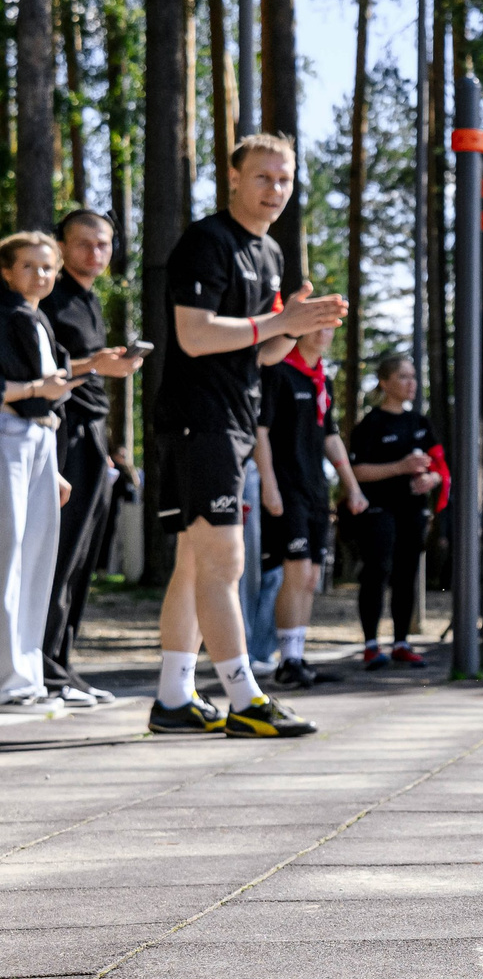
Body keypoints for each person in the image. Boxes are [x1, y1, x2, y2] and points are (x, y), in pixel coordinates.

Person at [149, 134, 346, 738]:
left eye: (284, 180)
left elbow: (262, 353)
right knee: (225, 559)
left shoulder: (270, 255)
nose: (275, 191)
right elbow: (196, 336)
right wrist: (279, 320)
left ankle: (173, 699)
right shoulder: (206, 243)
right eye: (263, 178)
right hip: (198, 418)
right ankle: (243, 697)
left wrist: (297, 329)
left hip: (234, 416)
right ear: (233, 179)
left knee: (193, 562)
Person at [40, 211, 144, 704]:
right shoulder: (48, 298)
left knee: (82, 559)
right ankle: (43, 670)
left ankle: (63, 664)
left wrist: (109, 366)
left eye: (102, 245)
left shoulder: (88, 299)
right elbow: (42, 368)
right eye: (83, 244)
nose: (94, 254)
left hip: (93, 435)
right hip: (62, 435)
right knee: (58, 556)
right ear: (60, 245)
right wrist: (92, 365)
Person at [254, 326, 366, 689]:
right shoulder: (278, 371)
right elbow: (261, 431)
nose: (324, 333)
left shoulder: (322, 380)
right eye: (315, 326)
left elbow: (330, 436)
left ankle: (297, 657)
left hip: (315, 490)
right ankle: (285, 661)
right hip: (287, 489)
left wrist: (352, 487)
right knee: (296, 573)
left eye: (330, 327)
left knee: (312, 578)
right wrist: (268, 484)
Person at [0, 233, 76, 708]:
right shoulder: (4, 316)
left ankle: (25, 675)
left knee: (36, 561)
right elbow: (26, 390)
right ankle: (9, 678)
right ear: (7, 270)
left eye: (48, 267)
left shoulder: (37, 319)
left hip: (41, 441)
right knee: (8, 558)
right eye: (29, 266)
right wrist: (33, 391)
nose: (40, 276)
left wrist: (56, 469)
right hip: (9, 434)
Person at [346, 350, 443, 669]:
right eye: (403, 376)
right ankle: (371, 645)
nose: (411, 383)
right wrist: (399, 467)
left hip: (412, 510)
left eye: (414, 377)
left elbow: (439, 467)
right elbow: (357, 471)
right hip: (378, 509)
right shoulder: (371, 424)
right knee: (378, 570)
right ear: (385, 383)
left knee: (407, 574)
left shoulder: (420, 422)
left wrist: (430, 479)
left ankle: (402, 642)